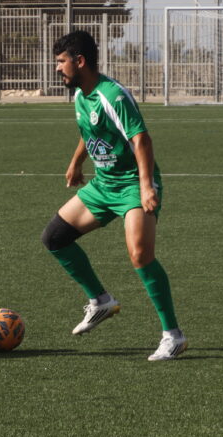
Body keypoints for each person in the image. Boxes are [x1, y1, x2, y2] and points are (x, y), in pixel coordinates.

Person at [41, 30, 187, 361]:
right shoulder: (81, 96)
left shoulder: (113, 95)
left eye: (61, 62)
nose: (57, 68)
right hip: (104, 185)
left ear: (80, 61)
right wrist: (76, 162)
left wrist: (146, 186)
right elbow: (90, 130)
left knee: (140, 255)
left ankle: (173, 336)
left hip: (133, 184)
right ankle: (100, 300)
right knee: (55, 237)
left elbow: (141, 139)